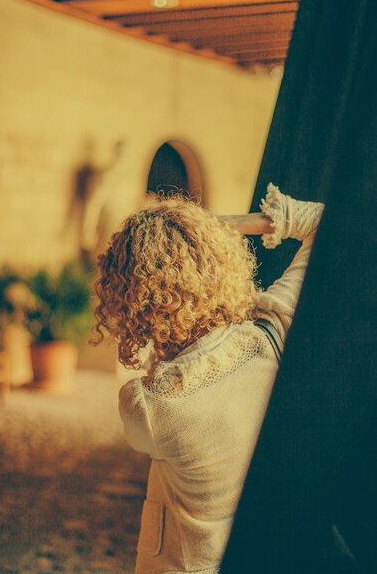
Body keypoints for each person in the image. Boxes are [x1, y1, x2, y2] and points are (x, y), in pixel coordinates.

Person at [92, 183, 324, 574]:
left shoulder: (148, 405)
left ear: (130, 299)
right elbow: (323, 224)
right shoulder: (271, 333)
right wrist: (215, 228)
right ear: (217, 264)